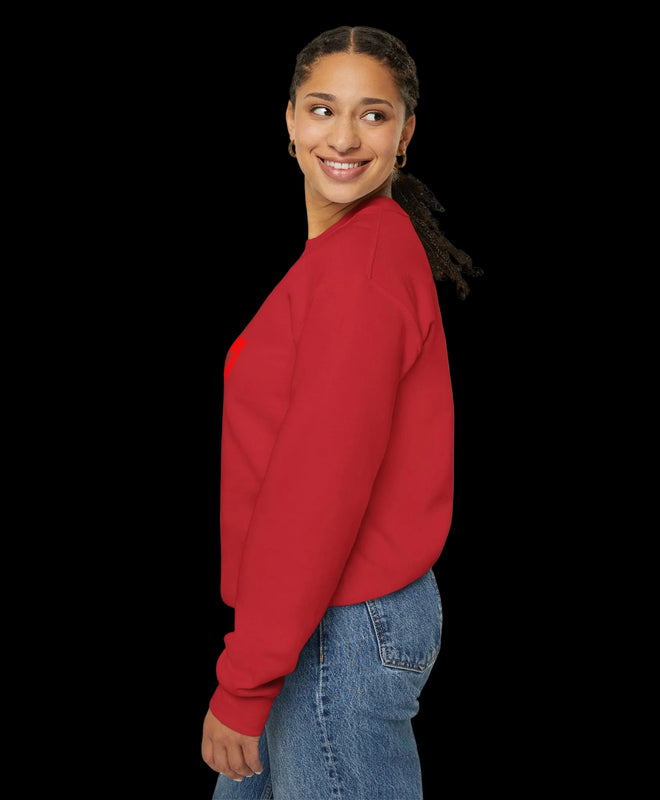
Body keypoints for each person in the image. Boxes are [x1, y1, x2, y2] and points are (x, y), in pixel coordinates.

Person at [201, 25, 479, 799]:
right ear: (290, 120)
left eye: (373, 114)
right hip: (309, 621)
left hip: (338, 628)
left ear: (405, 134)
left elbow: (315, 490)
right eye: (324, 109)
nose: (345, 137)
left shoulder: (360, 270)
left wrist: (246, 681)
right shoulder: (350, 253)